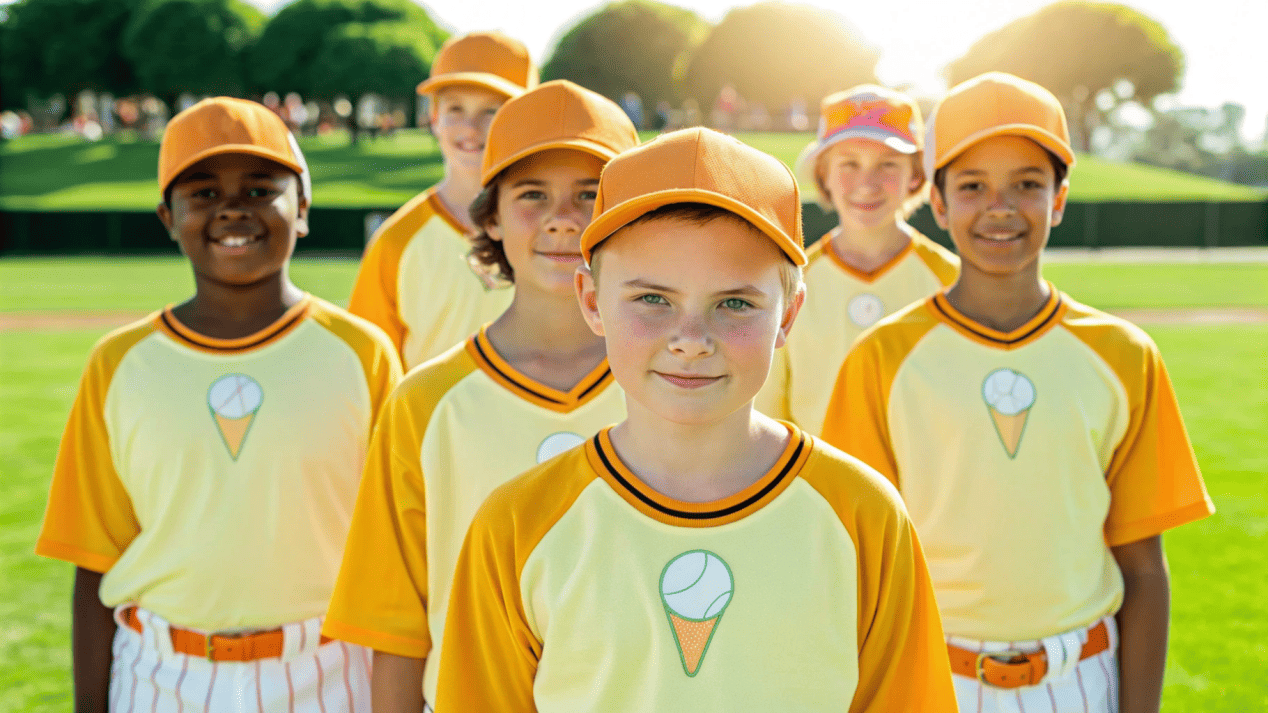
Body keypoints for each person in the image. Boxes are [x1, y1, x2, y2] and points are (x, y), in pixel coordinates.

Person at [435, 127, 957, 712]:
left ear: (789, 315)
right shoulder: (517, 524)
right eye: (652, 299)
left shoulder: (863, 514)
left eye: (734, 303)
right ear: (591, 300)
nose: (690, 341)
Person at [821, 73, 1215, 713]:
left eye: (1027, 185)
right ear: (940, 203)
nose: (1000, 208)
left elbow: (1143, 568)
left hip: (1083, 676)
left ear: (1060, 198)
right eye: (972, 186)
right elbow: (852, 568)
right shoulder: (881, 359)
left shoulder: (1122, 354)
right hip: (929, 676)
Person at [35, 97, 402, 712]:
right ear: (167, 217)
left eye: (261, 190)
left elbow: (401, 551)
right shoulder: (119, 363)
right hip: (161, 673)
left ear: (303, 208)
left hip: (329, 669)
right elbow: (94, 559)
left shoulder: (361, 352)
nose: (233, 208)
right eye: (202, 193)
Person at [322, 81, 639, 713]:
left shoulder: (678, 385)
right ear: (489, 216)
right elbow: (396, 626)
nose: (562, 218)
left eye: (589, 195)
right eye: (531, 195)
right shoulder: (426, 402)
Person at [757, 85, 957, 435]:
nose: (867, 183)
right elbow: (767, 412)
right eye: (849, 163)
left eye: (888, 165)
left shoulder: (952, 281)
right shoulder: (790, 282)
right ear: (824, 175)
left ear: (915, 176)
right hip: (817, 484)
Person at [348, 31, 537, 368]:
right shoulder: (397, 241)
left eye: (492, 111)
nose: (471, 128)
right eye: (455, 109)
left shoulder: (559, 233)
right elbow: (366, 371)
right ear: (433, 118)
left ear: (528, 119)